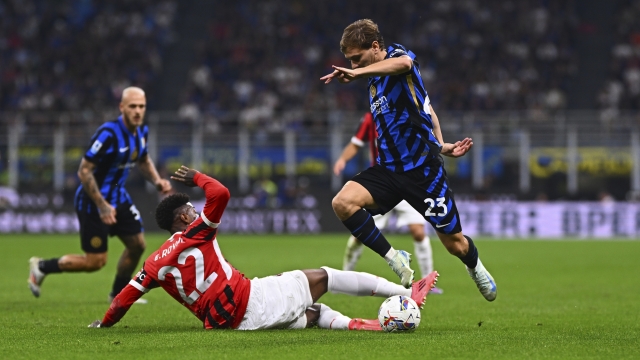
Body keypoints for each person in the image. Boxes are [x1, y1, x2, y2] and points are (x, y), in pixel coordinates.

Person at [87, 166, 439, 330]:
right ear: (182, 217)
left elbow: (123, 300)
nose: (197, 210)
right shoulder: (196, 231)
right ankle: (407, 289)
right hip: (246, 303)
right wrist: (197, 177)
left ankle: (360, 326)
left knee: (312, 313)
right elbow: (220, 194)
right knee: (323, 276)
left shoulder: (153, 263)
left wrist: (104, 325)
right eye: (191, 209)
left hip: (225, 321)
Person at [321, 19, 496, 300]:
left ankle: (475, 266)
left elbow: (404, 66)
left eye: (357, 59)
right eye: (350, 61)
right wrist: (442, 144)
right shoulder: (373, 79)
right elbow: (426, 107)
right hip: (388, 171)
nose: (354, 66)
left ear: (375, 47)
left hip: (423, 171)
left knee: (455, 245)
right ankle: (393, 257)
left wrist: (438, 148)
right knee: (342, 203)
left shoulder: (398, 57)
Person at [28, 87, 172, 303]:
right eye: (132, 106)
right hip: (92, 202)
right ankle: (41, 267)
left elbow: (142, 159)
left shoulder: (141, 131)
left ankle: (118, 294)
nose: (137, 111)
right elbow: (84, 171)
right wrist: (102, 204)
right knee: (95, 262)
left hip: (119, 198)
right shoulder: (108, 134)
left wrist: (157, 180)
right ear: (121, 107)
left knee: (137, 245)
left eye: (141, 106)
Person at [334, 112, 443, 294]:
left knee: (418, 232)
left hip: (408, 180)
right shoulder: (370, 118)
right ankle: (345, 277)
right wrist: (343, 159)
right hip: (382, 184)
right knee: (359, 235)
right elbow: (356, 143)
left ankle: (428, 283)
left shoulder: (408, 112)